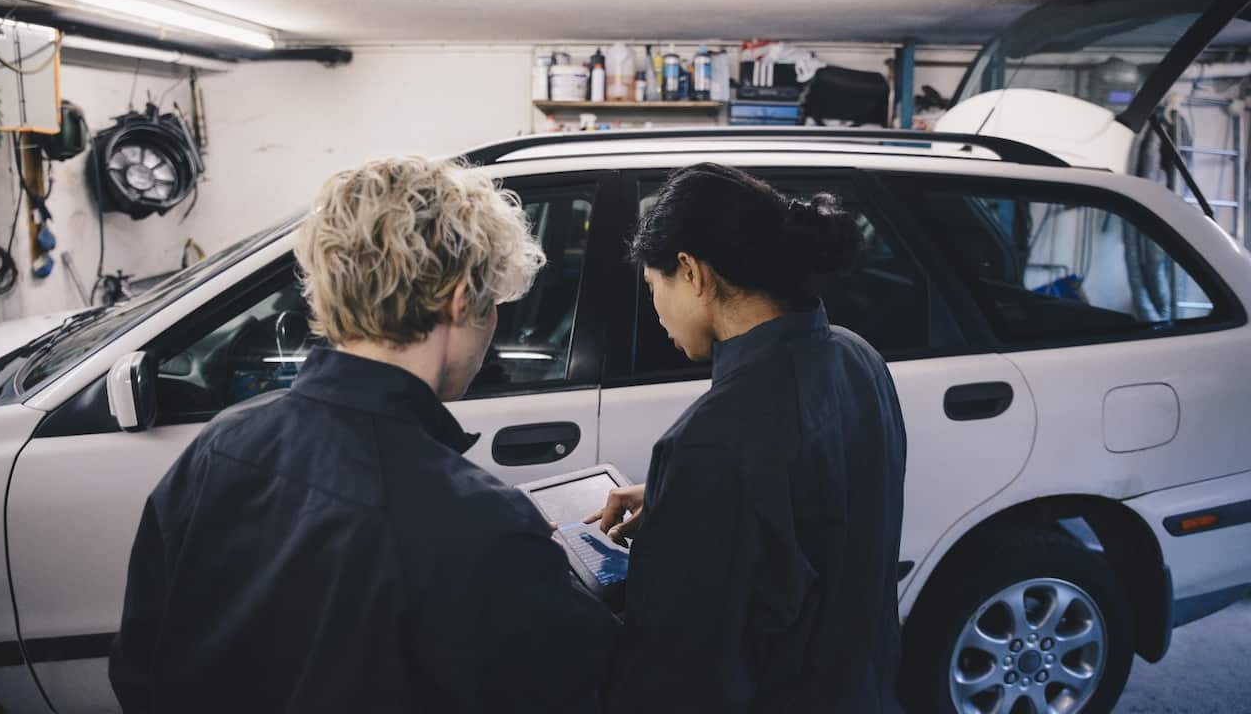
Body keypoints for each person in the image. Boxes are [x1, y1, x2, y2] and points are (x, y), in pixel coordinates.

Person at [109, 156, 618, 713]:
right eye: (494, 304)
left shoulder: (219, 446)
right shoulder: (478, 522)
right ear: (461, 297)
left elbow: (140, 668)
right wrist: (531, 564)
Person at [589, 163, 908, 712]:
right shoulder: (859, 357)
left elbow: (683, 667)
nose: (656, 310)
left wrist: (695, 491)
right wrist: (683, 499)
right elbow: (820, 508)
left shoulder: (714, 438)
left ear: (692, 272)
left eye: (653, 286)